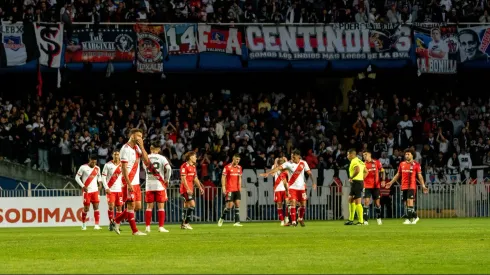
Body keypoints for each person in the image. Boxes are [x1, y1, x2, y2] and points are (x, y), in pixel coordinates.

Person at [260, 149, 317, 227]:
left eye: (293, 157)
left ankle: (300, 218)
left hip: (301, 188)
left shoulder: (304, 163)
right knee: (292, 202)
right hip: (292, 188)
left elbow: (309, 173)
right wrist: (268, 173)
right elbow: (278, 168)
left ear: (298, 156)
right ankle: (293, 221)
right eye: (291, 157)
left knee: (303, 204)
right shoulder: (288, 163)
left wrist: (313, 182)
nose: (292, 159)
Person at [112, 128, 150, 236]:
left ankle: (116, 220)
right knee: (130, 206)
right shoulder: (125, 149)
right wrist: (128, 183)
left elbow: (147, 161)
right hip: (128, 181)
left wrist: (142, 146)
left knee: (137, 207)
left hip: (136, 182)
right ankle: (135, 231)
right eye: (138, 136)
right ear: (132, 135)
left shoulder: (137, 148)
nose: (140, 138)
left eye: (141, 137)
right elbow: (123, 168)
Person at [386, 148, 428, 224]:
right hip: (404, 186)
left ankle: (408, 219)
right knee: (406, 203)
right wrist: (391, 182)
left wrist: (423, 186)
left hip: (411, 186)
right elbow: (398, 175)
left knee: (410, 201)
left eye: (408, 154)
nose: (406, 155)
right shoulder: (402, 164)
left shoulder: (416, 165)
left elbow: (420, 176)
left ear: (412, 155)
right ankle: (415, 217)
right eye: (406, 154)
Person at [143, 142, 171, 233]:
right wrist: (167, 179)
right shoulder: (162, 158)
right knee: (161, 207)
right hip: (159, 185)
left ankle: (147, 227)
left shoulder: (146, 158)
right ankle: (161, 227)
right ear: (158, 149)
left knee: (149, 207)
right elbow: (169, 169)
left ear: (151, 148)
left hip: (149, 185)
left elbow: (144, 168)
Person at [75, 154, 103, 231]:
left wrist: (100, 184)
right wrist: (83, 186)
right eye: (92, 162)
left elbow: (99, 176)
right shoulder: (83, 167)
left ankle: (96, 225)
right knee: (86, 208)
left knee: (96, 207)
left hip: (95, 191)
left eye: (95, 162)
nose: (93, 164)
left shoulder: (97, 168)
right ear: (89, 160)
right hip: (86, 191)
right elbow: (77, 177)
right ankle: (83, 225)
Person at [180, 151, 205, 230]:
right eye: (195, 156)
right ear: (190, 157)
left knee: (186, 206)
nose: (196, 158)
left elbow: (195, 178)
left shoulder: (193, 167)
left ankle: (183, 224)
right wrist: (187, 189)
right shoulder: (184, 166)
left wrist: (200, 187)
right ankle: (186, 223)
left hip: (190, 189)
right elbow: (183, 179)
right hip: (185, 189)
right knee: (192, 205)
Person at [218, 154, 243, 227]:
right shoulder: (227, 167)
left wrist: (240, 187)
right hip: (229, 189)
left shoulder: (239, 168)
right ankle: (222, 218)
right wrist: (223, 187)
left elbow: (240, 178)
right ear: (233, 158)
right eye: (236, 159)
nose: (237, 161)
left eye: (239, 159)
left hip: (237, 189)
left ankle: (237, 222)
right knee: (229, 206)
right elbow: (223, 177)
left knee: (237, 204)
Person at [102, 150, 123, 231]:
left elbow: (124, 176)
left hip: (119, 190)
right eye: (115, 154)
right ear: (112, 155)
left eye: (117, 154)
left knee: (119, 208)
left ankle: (117, 225)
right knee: (111, 207)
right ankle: (111, 223)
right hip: (111, 189)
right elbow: (103, 177)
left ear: (120, 155)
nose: (116, 156)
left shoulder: (123, 165)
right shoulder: (107, 165)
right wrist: (106, 187)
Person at [362, 150, 385, 225]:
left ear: (369, 154)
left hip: (376, 186)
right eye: (363, 155)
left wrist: (383, 180)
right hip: (367, 185)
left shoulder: (377, 162)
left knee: (377, 203)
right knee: (366, 202)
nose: (364, 156)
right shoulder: (363, 164)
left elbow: (382, 171)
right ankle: (365, 220)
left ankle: (378, 218)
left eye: (365, 155)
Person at [345, 148, 365, 225]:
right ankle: (351, 219)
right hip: (357, 182)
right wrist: (362, 178)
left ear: (352, 154)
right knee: (350, 199)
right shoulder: (360, 161)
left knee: (357, 202)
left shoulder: (354, 161)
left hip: (356, 182)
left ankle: (361, 221)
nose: (347, 156)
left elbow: (357, 170)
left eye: (348, 154)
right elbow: (366, 171)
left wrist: (351, 177)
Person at [273, 158, 289, 226]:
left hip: (285, 189)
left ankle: (286, 217)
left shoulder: (286, 170)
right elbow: (273, 174)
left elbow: (289, 171)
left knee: (288, 203)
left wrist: (286, 161)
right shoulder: (274, 168)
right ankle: (282, 220)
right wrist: (275, 162)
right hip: (277, 189)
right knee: (279, 205)